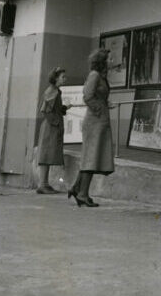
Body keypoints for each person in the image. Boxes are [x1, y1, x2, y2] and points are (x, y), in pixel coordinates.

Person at [68, 49, 115, 207]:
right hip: (95, 121)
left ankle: (76, 188)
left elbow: (97, 95)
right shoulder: (94, 75)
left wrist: (105, 103)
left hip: (99, 120)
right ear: (102, 60)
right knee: (92, 156)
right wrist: (100, 109)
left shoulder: (101, 76)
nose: (112, 60)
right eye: (109, 58)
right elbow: (87, 96)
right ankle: (82, 194)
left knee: (93, 156)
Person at [36, 66, 72, 194]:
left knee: (48, 154)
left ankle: (44, 184)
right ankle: (43, 185)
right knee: (46, 155)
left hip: (51, 126)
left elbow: (53, 109)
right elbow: (45, 110)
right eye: (63, 77)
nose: (65, 79)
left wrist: (63, 108)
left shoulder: (55, 91)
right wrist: (56, 122)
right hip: (50, 127)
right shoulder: (53, 91)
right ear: (56, 78)